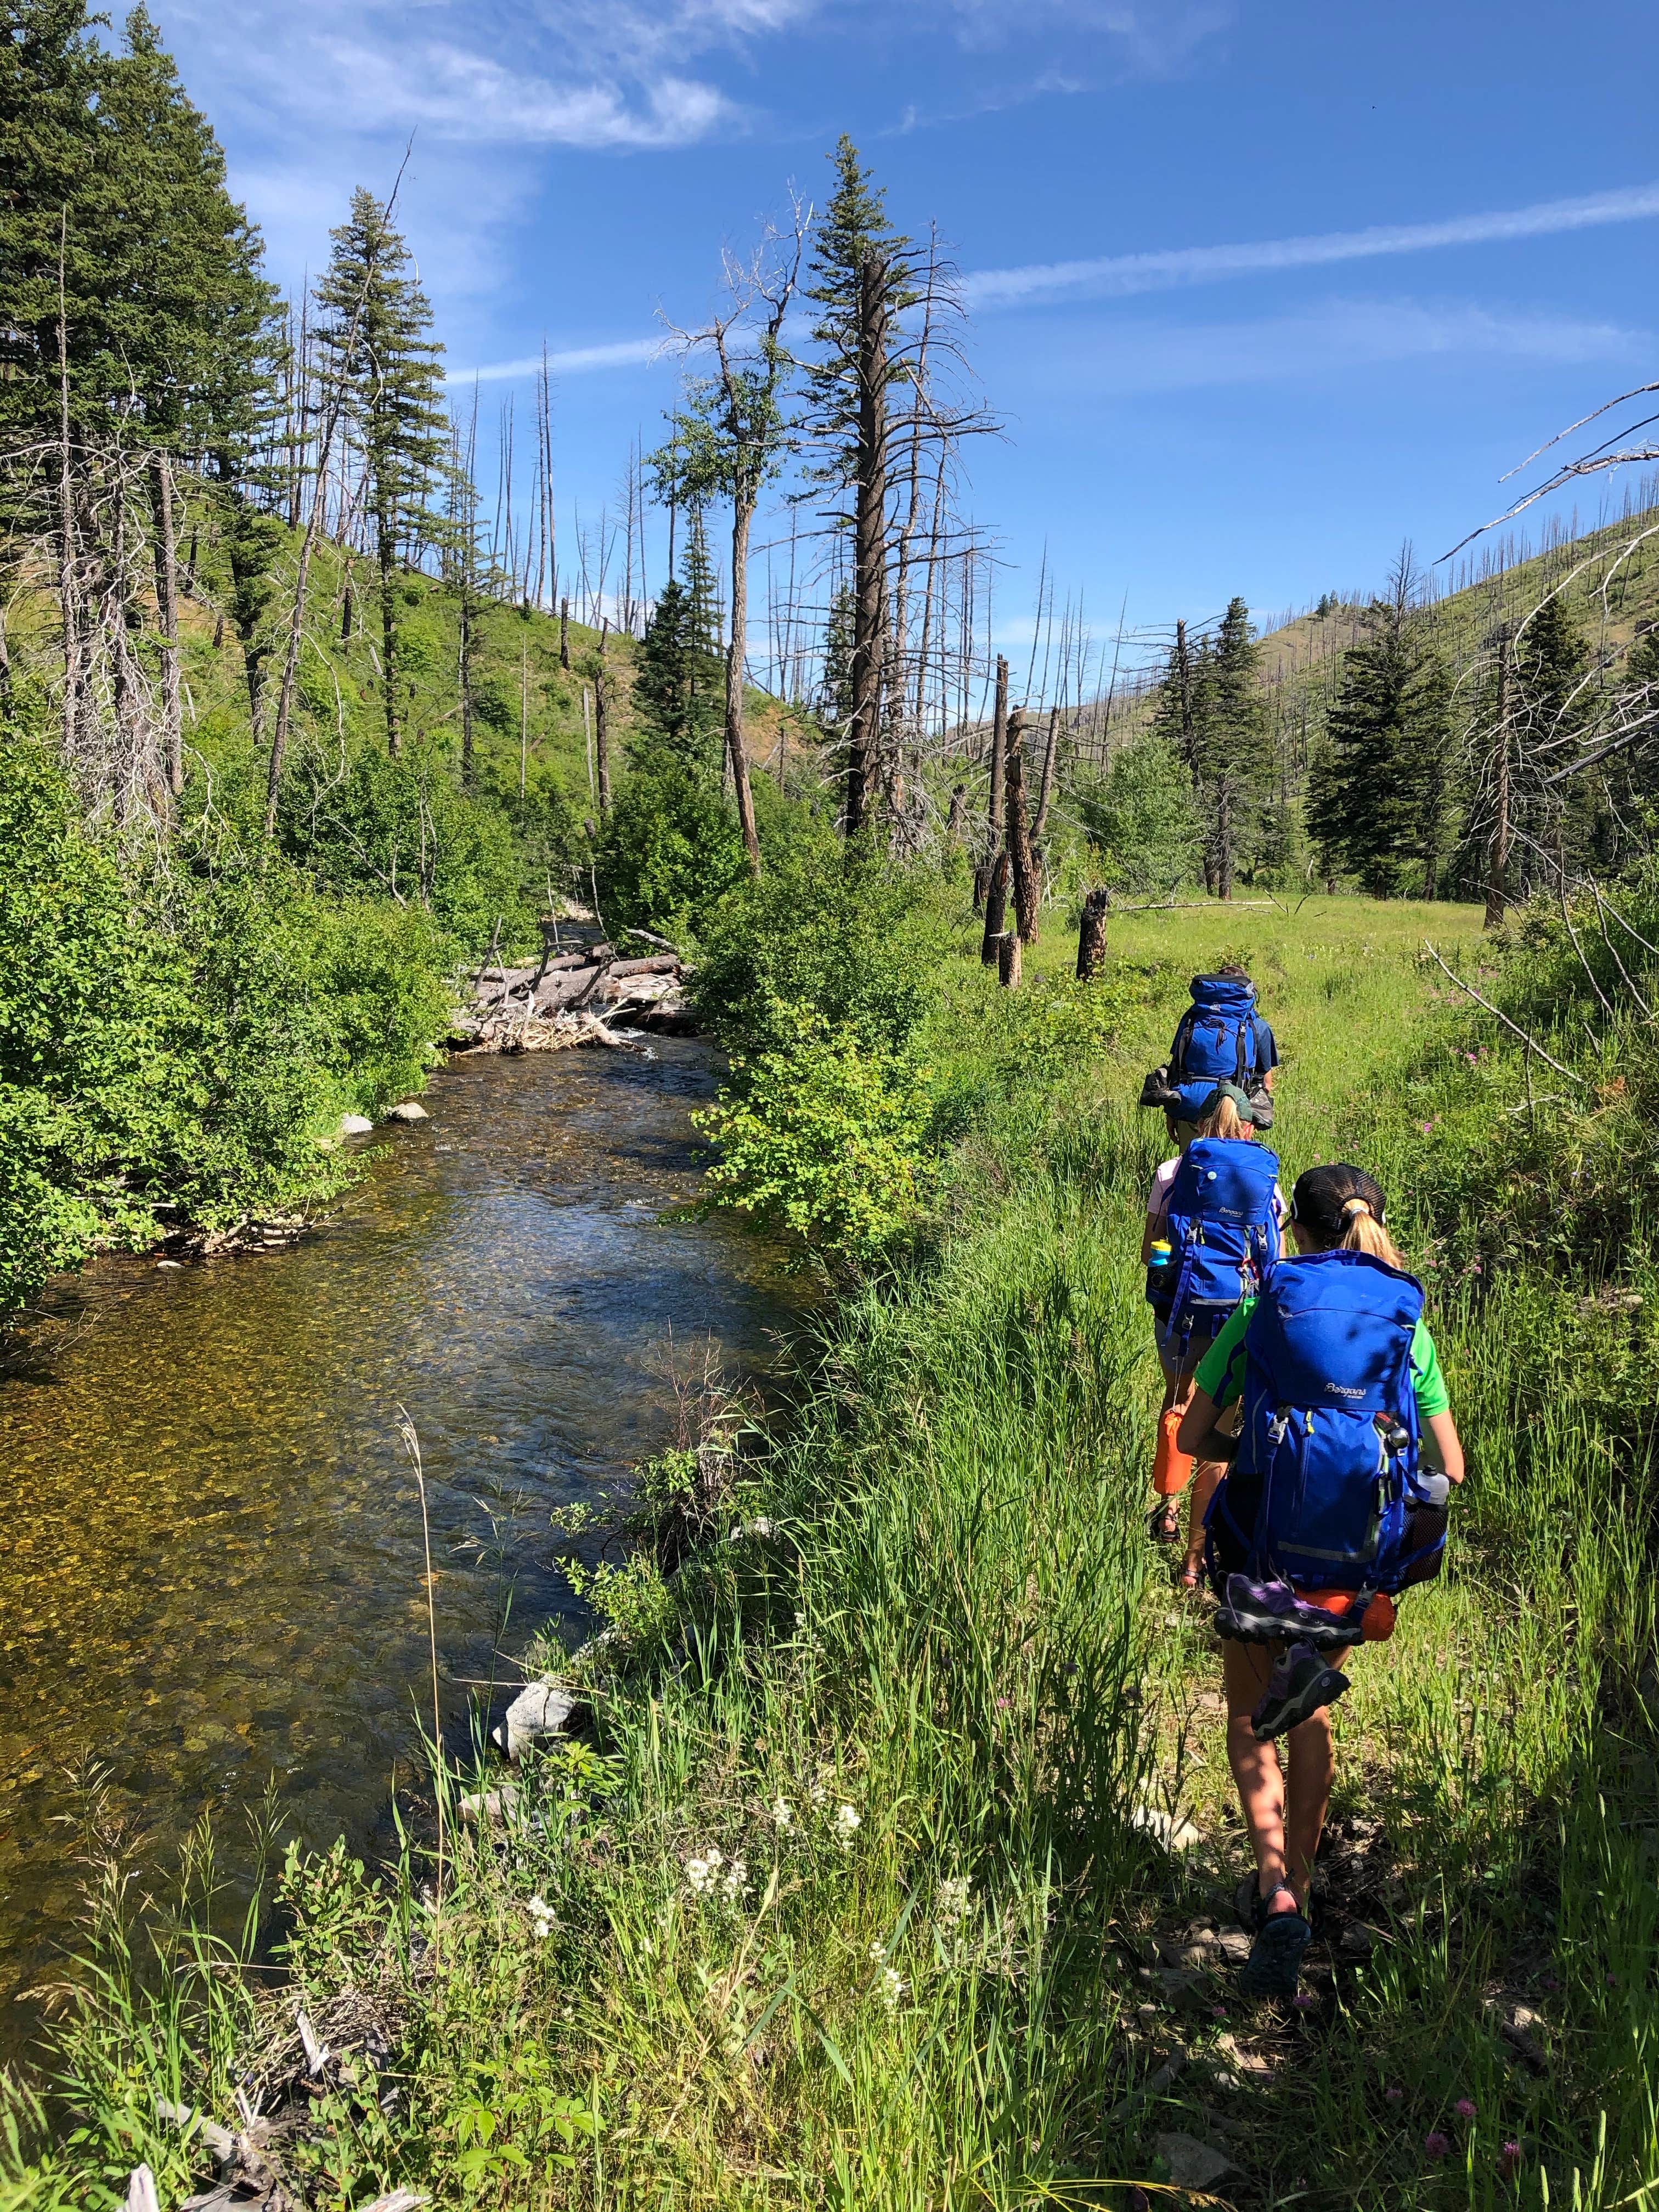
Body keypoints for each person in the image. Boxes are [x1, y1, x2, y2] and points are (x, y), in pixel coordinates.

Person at [1176, 1164, 1464, 1999]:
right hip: (1349, 1566)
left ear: (1293, 1233)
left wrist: (1258, 1454)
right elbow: (1450, 1466)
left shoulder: (1265, 1310)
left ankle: (1273, 1892)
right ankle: (1301, 1877)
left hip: (1262, 1555)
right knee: (1311, 1711)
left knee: (1248, 1715)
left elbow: (1196, 1437)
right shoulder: (1406, 1326)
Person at [1143, 1082, 1284, 1588]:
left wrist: (1174, 1272)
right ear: (1248, 1127)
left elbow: (1151, 1252)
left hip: (1180, 1314)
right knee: (1216, 1425)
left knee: (1177, 1400)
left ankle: (1167, 1508)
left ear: (1199, 1125)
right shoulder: (1268, 1180)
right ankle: (1194, 1562)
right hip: (1236, 1315)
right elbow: (1277, 1262)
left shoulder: (1171, 1173)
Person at [1141, 963, 1279, 1138]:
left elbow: (1177, 1067)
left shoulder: (1193, 1018)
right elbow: (1266, 1083)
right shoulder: (1257, 1026)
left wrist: (1173, 1113)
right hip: (1232, 1115)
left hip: (1188, 1107)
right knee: (1227, 1164)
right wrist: (1248, 1123)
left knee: (1192, 1163)